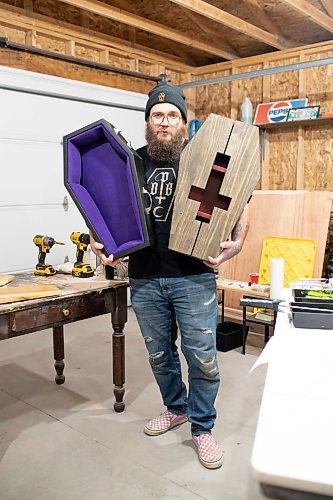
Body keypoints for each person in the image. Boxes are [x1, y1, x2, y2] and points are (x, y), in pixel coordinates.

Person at [90, 83, 249, 469]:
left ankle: (202, 428)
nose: (164, 122)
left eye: (172, 115)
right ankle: (176, 408)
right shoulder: (130, 163)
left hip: (193, 275)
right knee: (160, 356)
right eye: (157, 115)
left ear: (183, 122)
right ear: (148, 121)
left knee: (203, 359)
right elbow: (104, 206)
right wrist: (99, 240)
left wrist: (239, 242)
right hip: (144, 276)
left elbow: (239, 195)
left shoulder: (204, 157)